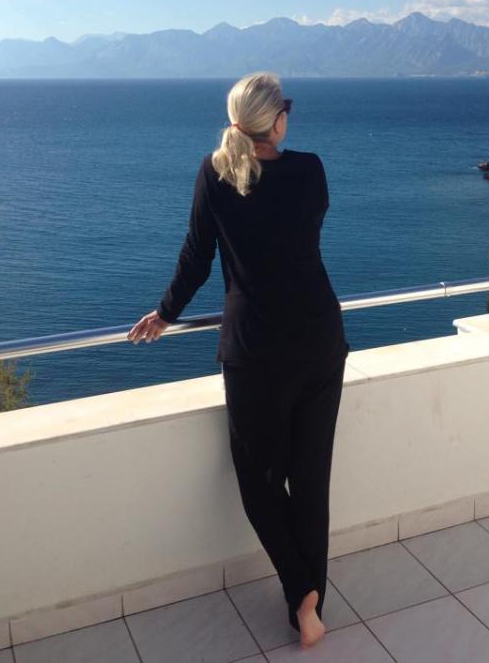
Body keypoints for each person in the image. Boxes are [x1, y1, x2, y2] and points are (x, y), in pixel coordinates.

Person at [127, 71, 350, 650]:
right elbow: (300, 234)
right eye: (287, 107)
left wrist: (166, 313)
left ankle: (301, 593)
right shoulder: (311, 171)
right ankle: (310, 605)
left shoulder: (216, 172)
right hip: (320, 339)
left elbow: (197, 256)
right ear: (276, 121)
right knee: (311, 479)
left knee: (258, 479)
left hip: (257, 349)